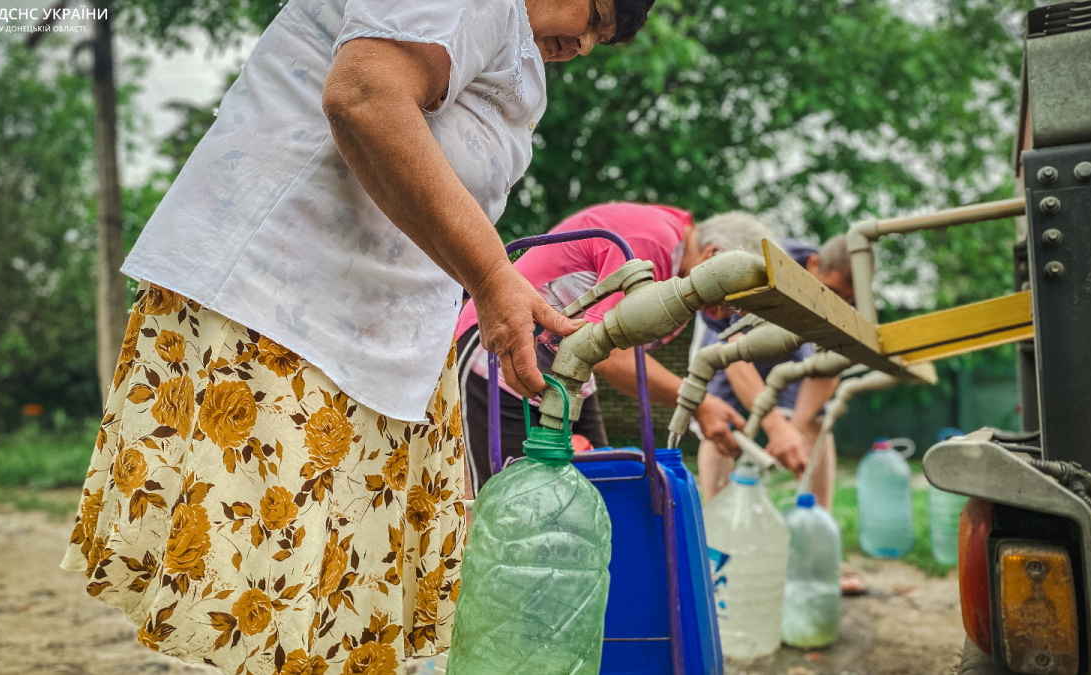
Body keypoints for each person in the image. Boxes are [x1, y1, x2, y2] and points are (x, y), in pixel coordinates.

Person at [61, 1, 655, 673]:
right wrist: (493, 276)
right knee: (276, 602)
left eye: (600, 38)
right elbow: (366, 95)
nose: (582, 43)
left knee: (335, 618)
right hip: (285, 309)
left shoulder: (513, 44)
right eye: (596, 11)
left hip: (378, 338)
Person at [454, 204, 773, 492]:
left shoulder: (677, 272)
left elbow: (605, 350)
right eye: (731, 301)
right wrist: (698, 402)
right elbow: (614, 359)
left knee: (600, 490)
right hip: (498, 355)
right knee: (508, 507)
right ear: (715, 257)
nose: (727, 313)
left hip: (567, 377)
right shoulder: (653, 242)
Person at [695, 234, 855, 509]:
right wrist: (775, 427)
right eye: (833, 291)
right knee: (721, 422)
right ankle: (716, 528)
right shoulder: (763, 264)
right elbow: (733, 354)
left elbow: (831, 366)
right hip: (732, 334)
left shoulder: (851, 294)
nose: (838, 302)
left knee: (816, 419)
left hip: (795, 342)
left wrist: (794, 428)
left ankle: (817, 521)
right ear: (814, 264)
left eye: (847, 299)